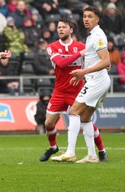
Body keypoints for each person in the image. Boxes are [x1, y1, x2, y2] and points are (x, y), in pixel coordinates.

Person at [40, 17, 107, 162]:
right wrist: (79, 54)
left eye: (64, 27)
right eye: (59, 27)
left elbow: (99, 60)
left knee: (86, 120)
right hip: (59, 90)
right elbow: (61, 63)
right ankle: (53, 148)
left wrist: (105, 64)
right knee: (48, 123)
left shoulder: (82, 45)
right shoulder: (52, 47)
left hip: (77, 90)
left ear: (71, 30)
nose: (60, 30)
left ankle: (101, 150)